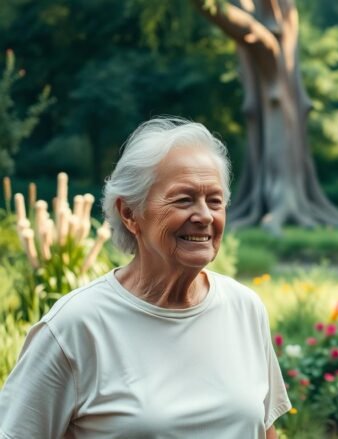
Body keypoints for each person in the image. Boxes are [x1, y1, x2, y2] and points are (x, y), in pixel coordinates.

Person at [0, 117, 291, 438]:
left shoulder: (244, 308)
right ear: (129, 213)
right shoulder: (75, 327)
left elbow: (265, 430)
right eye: (184, 199)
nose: (205, 216)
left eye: (215, 201)